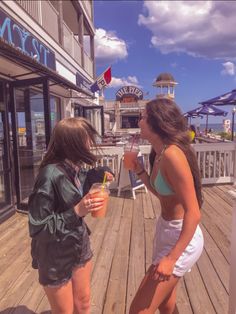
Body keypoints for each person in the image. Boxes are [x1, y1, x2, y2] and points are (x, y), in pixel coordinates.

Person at [28, 117, 113, 314]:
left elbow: (81, 180)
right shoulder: (48, 175)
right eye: (87, 139)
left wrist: (103, 172)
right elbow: (38, 227)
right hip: (54, 255)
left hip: (77, 242)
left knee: (83, 303)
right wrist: (77, 211)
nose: (91, 143)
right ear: (73, 143)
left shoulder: (73, 167)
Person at [129, 98, 204, 314]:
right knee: (166, 304)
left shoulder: (173, 155)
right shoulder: (159, 153)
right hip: (166, 230)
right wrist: (140, 172)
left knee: (138, 310)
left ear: (157, 122)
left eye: (143, 117)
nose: (139, 121)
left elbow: (194, 212)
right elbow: (162, 194)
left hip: (182, 237)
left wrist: (171, 258)